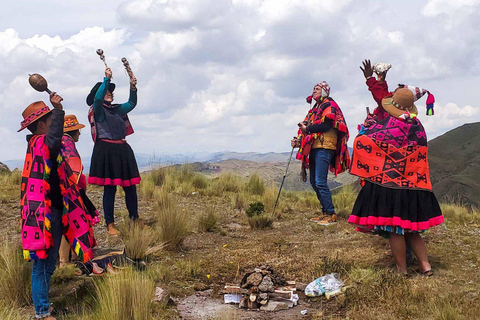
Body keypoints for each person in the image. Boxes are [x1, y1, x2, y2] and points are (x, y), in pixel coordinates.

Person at [348, 84, 444, 276]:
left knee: (395, 229)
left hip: (390, 186)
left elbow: (361, 143)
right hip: (414, 186)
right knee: (412, 230)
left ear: (394, 105)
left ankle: (402, 269)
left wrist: (365, 128)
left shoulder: (386, 126)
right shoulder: (419, 128)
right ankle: (426, 266)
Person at [19, 96, 96, 319]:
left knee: (47, 264)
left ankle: (44, 307)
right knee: (42, 266)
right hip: (46, 213)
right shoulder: (42, 143)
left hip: (50, 210)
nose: (54, 122)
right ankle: (42, 313)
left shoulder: (38, 145)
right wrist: (59, 109)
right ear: (41, 124)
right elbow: (54, 141)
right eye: (51, 118)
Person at [87, 67, 140, 235]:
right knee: (110, 188)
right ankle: (110, 224)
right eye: (107, 91)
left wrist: (132, 87)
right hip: (107, 150)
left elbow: (131, 103)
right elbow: (96, 99)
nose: (110, 93)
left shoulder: (117, 109)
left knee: (130, 187)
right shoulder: (98, 110)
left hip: (122, 149)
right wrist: (106, 79)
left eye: (111, 91)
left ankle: (135, 218)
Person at [292, 81, 350, 225]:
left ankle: (331, 213)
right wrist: (299, 140)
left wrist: (308, 129)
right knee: (314, 181)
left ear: (325, 91)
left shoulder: (330, 105)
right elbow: (308, 126)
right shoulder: (315, 109)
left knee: (320, 181)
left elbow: (326, 124)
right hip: (315, 147)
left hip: (325, 146)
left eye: (317, 89)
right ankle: (325, 212)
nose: (314, 91)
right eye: (313, 89)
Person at [59, 115, 99, 268]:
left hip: (69, 190)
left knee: (68, 224)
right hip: (70, 192)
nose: (80, 134)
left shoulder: (62, 143)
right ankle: (65, 261)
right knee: (69, 224)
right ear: (73, 132)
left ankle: (71, 257)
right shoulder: (67, 143)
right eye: (78, 131)